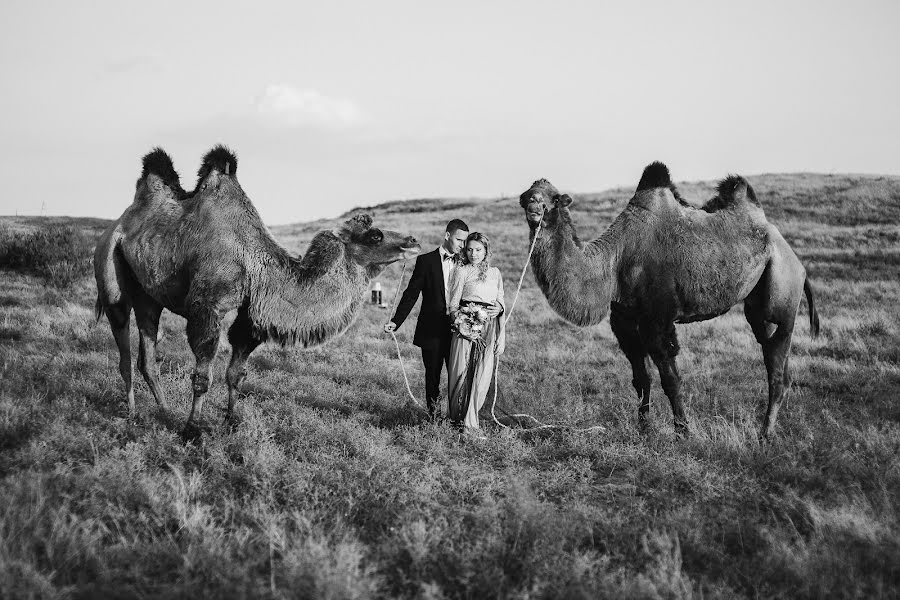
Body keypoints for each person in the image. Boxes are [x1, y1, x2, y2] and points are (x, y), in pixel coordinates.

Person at [385, 219, 469, 419]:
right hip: (431, 329)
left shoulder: (466, 262)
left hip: (459, 330)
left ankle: (457, 417)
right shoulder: (426, 261)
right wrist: (396, 321)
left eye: (464, 241)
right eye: (459, 239)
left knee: (457, 376)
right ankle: (434, 418)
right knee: (432, 376)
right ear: (447, 235)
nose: (462, 245)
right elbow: (411, 294)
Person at [446, 232, 505, 436]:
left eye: (478, 249)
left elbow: (500, 304)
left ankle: (471, 418)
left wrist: (501, 335)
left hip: (489, 328)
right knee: (461, 373)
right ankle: (460, 423)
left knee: (481, 376)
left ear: (486, 251)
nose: (473, 253)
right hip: (465, 328)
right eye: (469, 249)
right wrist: (462, 327)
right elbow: (453, 305)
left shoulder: (496, 273)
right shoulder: (461, 271)